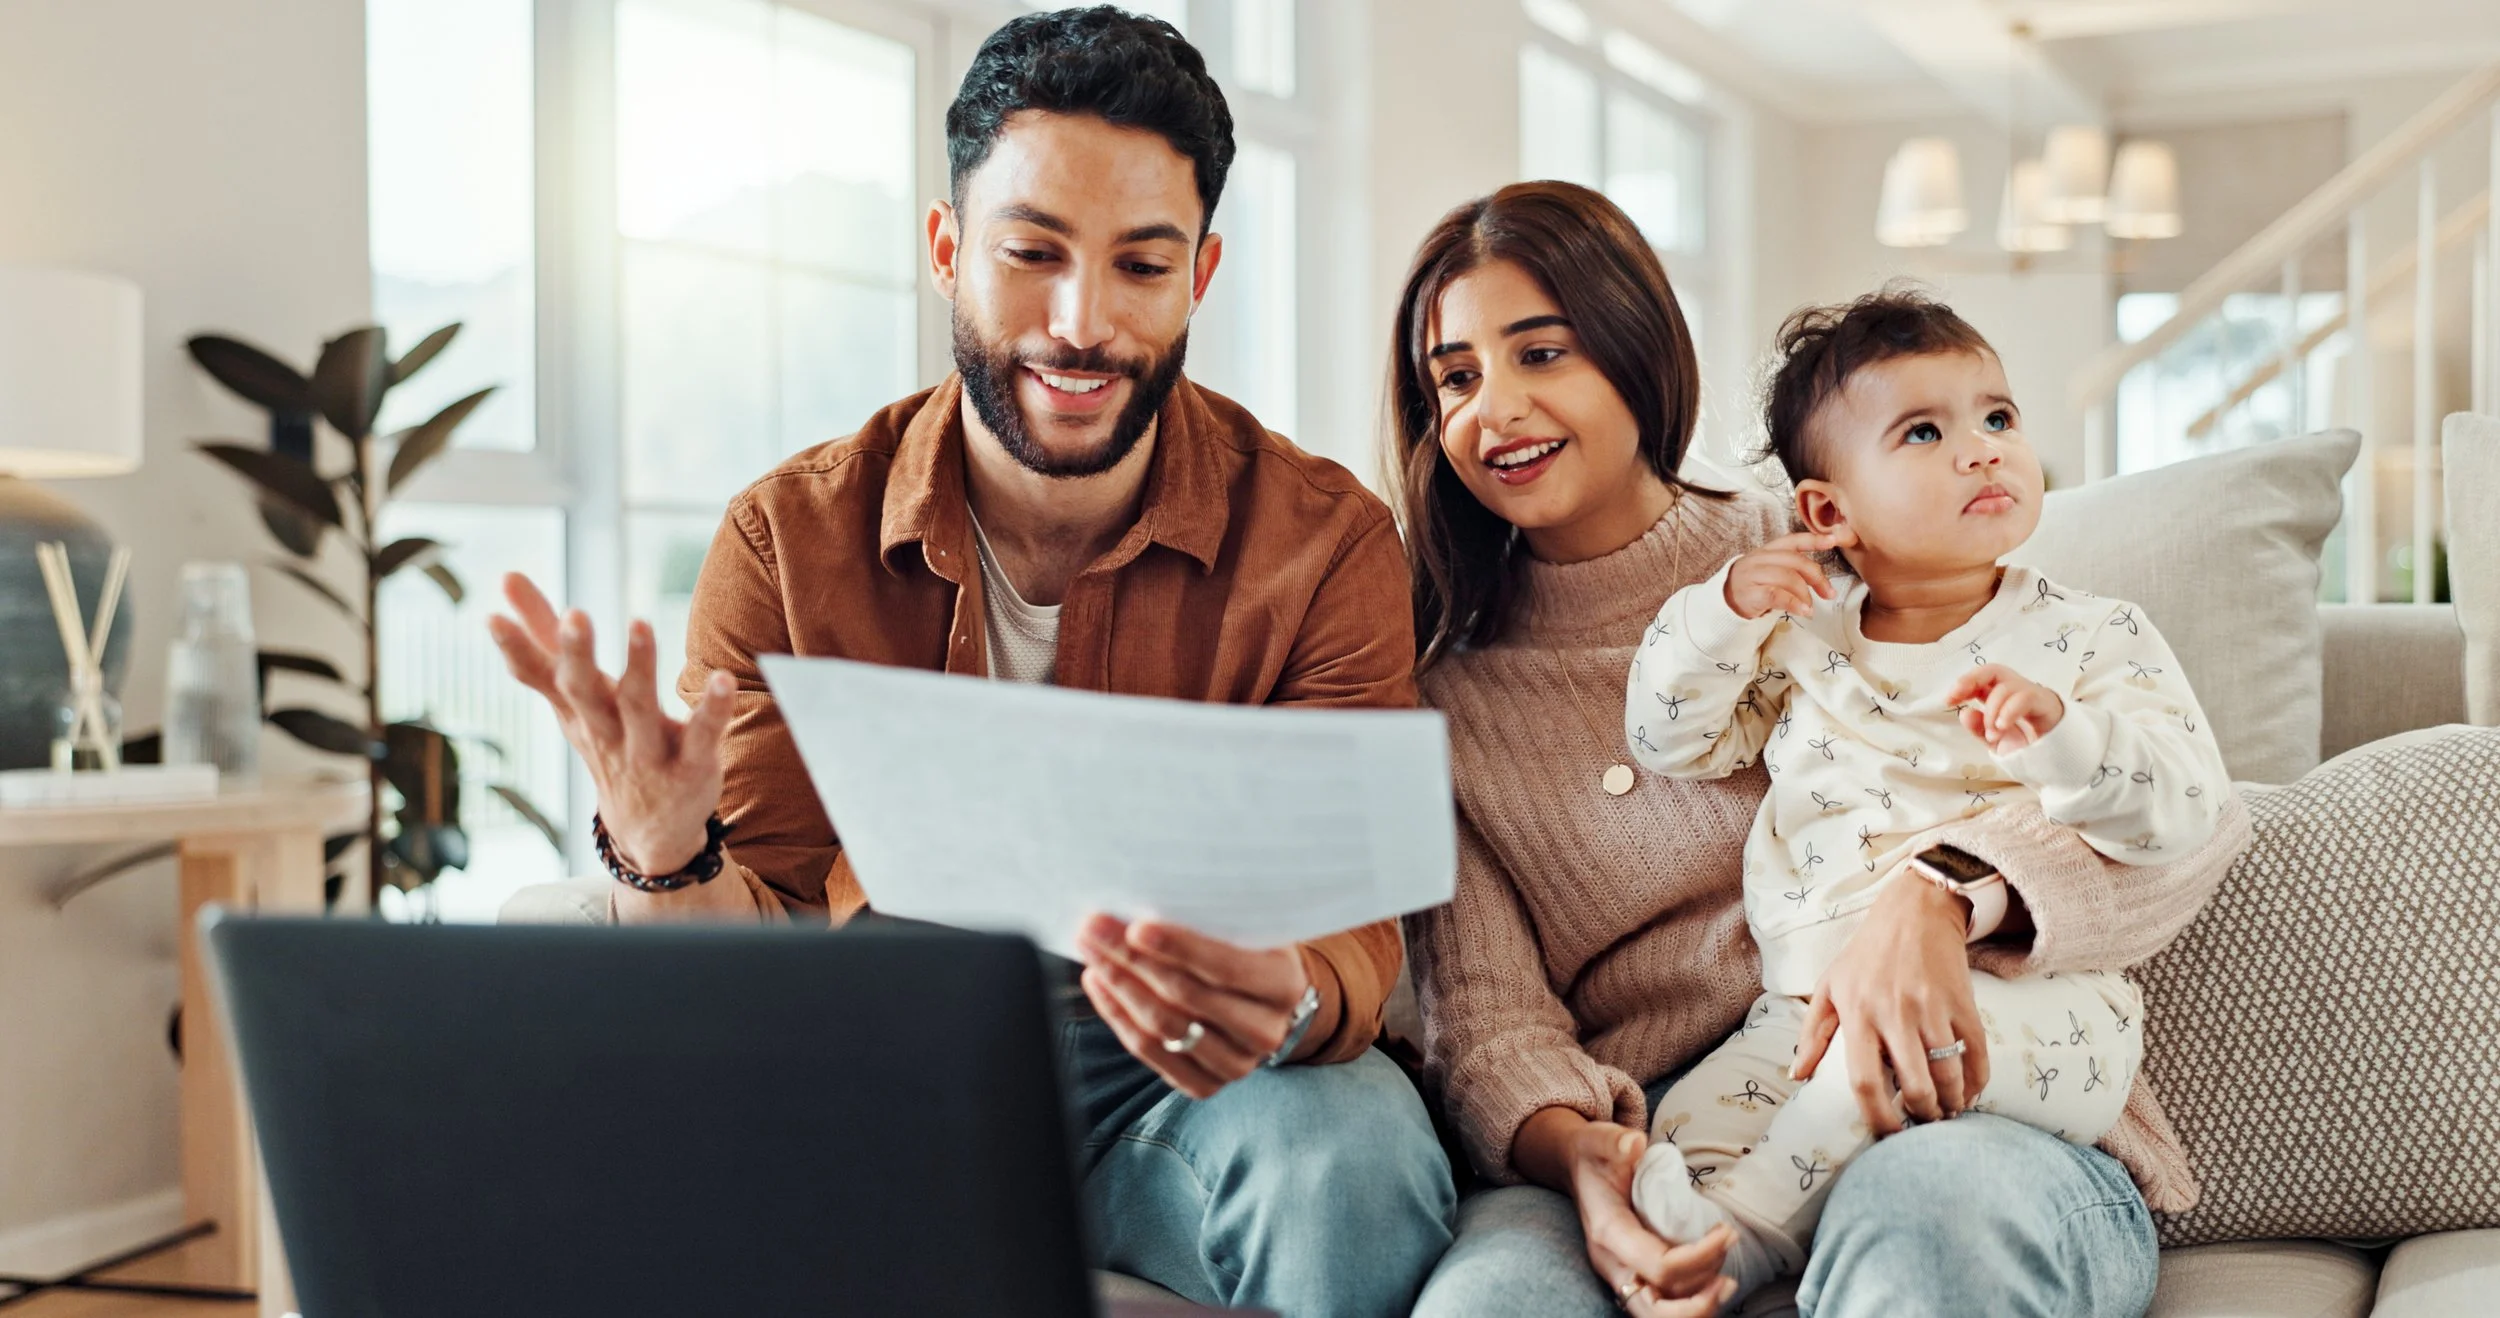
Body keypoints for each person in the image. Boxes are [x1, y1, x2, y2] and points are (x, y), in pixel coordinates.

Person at [484, 9, 1452, 1315]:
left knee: (1353, 1147)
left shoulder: (1323, 542)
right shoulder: (788, 540)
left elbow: (1352, 930)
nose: (1080, 322)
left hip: (1181, 1085)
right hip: (879, 1074)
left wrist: (1283, 998)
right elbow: (745, 978)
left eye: (1140, 267)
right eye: (1032, 252)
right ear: (948, 249)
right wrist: (662, 842)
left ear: (1201, 278)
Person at [1387, 181, 2250, 1318]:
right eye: (1455, 378)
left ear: (1633, 349)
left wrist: (1943, 895)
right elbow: (1490, 1018)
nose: (1495, 407)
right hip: (1666, 1126)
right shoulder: (1454, 696)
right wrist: (1579, 1159)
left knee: (1929, 1234)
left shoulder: (1849, 549)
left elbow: (2196, 822)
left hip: (1959, 1096)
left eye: (1541, 352)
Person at [1621, 287, 2234, 1304]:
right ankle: (1726, 1231)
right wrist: (1719, 612)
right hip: (1800, 1013)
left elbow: (2182, 806)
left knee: (1829, 1111)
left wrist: (2063, 739)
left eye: (1997, 417)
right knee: (1677, 1145)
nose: (1983, 448)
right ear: (1827, 512)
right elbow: (1668, 739)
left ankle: (1760, 1228)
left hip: (2030, 1012)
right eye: (1923, 430)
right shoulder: (1798, 642)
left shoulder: (2092, 636)